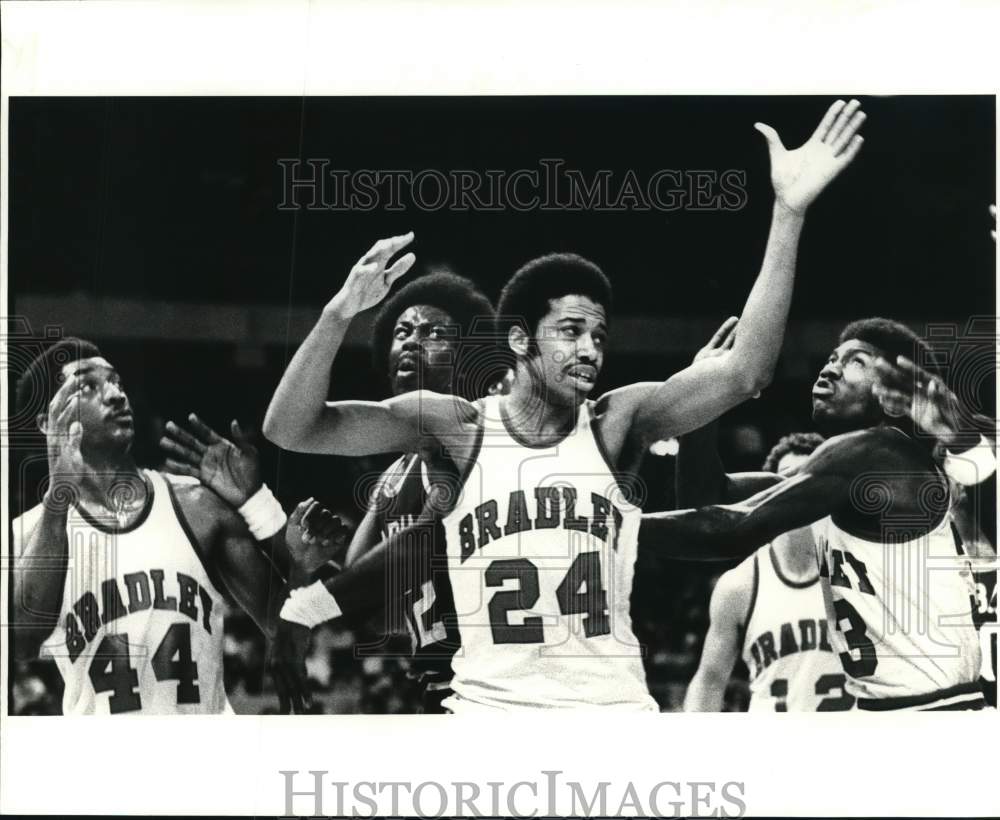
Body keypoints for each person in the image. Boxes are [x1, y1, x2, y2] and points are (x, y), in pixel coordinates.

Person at [271, 99, 868, 711]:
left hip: (609, 714)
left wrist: (788, 212)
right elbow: (292, 428)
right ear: (520, 340)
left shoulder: (618, 421)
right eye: (572, 331)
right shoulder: (457, 427)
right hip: (487, 714)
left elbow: (746, 372)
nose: (590, 350)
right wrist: (336, 314)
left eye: (600, 336)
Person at [639, 317, 992, 711]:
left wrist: (611, 524)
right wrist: (704, 400)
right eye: (832, 357)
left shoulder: (878, 455)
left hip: (931, 714)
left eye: (856, 361)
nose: (831, 368)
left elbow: (728, 530)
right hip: (895, 710)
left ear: (893, 393)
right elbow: (706, 497)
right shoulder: (843, 473)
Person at [11, 338, 310, 714]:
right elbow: (20, 646)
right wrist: (58, 498)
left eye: (116, 381)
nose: (116, 395)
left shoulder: (196, 505)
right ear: (46, 423)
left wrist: (298, 559)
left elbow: (284, 623)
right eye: (88, 386)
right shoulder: (24, 535)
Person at [265, 263, 499, 712]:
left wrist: (306, 607)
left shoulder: (475, 431)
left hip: (504, 691)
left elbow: (421, 544)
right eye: (403, 331)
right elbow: (376, 616)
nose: (412, 339)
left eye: (434, 333)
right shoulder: (394, 481)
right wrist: (309, 567)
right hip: (442, 691)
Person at [684, 432, 855, 711]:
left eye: (810, 482)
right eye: (786, 482)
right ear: (769, 496)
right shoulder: (740, 586)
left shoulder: (862, 571)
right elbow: (710, 681)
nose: (798, 493)